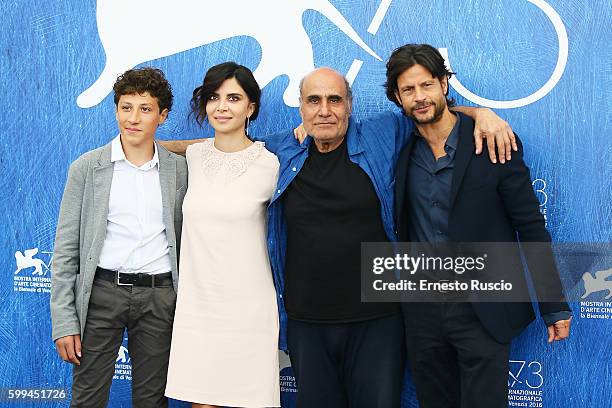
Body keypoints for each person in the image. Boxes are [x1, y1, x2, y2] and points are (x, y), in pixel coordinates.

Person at [162, 66, 514, 407]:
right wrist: (157, 144)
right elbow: (229, 142)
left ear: (350, 103)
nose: (325, 110)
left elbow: (428, 113)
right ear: (300, 107)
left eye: (335, 99)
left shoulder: (380, 135)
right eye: (314, 101)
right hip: (306, 320)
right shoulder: (282, 150)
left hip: (378, 318)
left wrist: (479, 113)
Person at [387, 44, 572, 408]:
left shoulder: (493, 142)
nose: (420, 97)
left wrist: (554, 305)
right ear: (397, 96)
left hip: (484, 308)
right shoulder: (396, 148)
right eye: (408, 90)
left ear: (444, 83)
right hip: (421, 313)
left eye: (426, 85)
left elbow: (531, 227)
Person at [50, 67, 187, 407]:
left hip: (160, 297)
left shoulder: (179, 170)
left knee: (152, 400)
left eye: (145, 108)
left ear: (163, 115)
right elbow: (66, 250)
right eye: (126, 107)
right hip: (101, 294)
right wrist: (64, 321)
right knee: (88, 398)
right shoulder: (86, 168)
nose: (133, 118)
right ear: (115, 110)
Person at [164, 62, 280, 408]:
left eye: (233, 97)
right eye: (214, 97)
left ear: (251, 107)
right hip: (198, 306)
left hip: (249, 308)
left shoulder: (272, 164)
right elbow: (152, 149)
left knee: (251, 399)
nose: (221, 106)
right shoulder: (194, 156)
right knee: (201, 401)